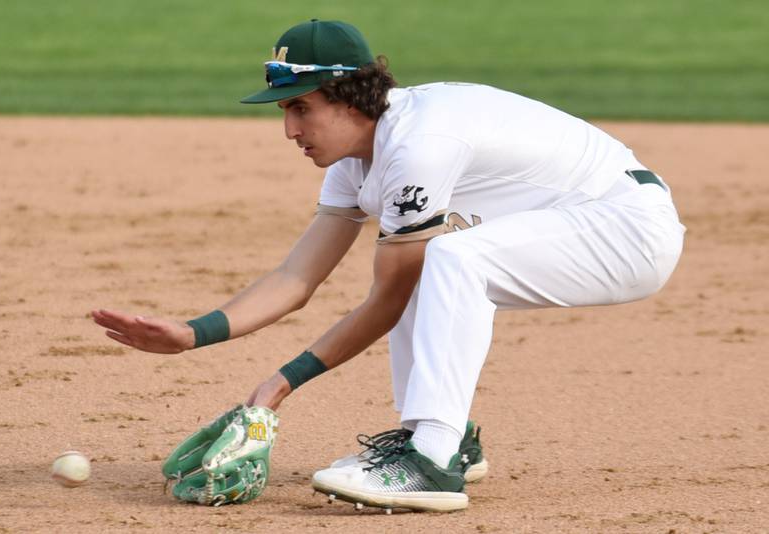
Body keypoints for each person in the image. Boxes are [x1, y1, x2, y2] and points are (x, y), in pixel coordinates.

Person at [91, 19, 685, 512]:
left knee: (445, 260)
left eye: (301, 107)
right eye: (283, 111)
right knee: (436, 262)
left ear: (351, 95)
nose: (289, 129)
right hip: (585, 223)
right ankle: (444, 440)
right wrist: (194, 333)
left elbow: (389, 298)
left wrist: (273, 389)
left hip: (627, 229)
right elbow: (296, 279)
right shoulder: (357, 160)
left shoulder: (419, 144)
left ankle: (430, 458)